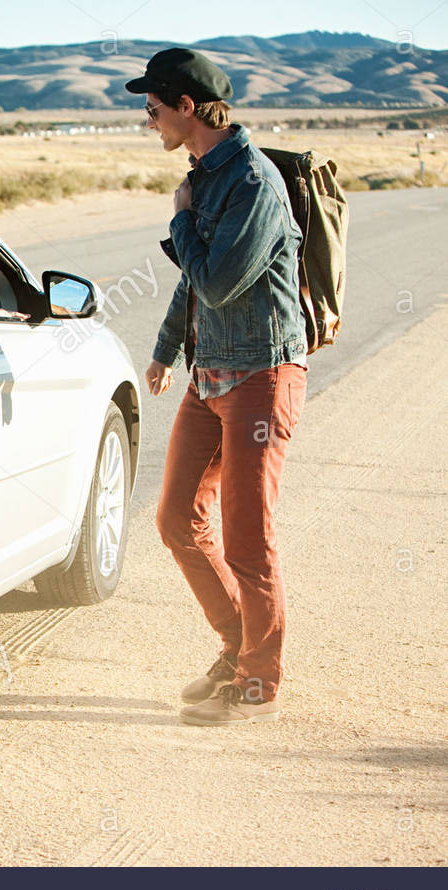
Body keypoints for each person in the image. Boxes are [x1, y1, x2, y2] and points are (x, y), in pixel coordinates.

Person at [129, 48, 309, 726]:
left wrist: (179, 217)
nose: (148, 121)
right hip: (211, 375)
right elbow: (193, 285)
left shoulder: (254, 184)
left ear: (186, 106)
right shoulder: (205, 174)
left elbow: (217, 279)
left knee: (247, 537)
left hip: (262, 376)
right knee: (176, 518)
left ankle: (258, 680)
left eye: (152, 108)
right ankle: (238, 646)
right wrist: (166, 349)